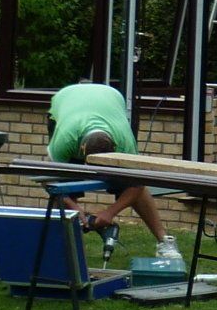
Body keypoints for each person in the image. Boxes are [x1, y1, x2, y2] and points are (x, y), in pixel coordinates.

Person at [46, 81, 179, 259]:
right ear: (82, 150)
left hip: (110, 98)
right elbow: (51, 181)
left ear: (116, 148)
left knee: (130, 181)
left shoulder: (125, 142)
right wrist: (75, 208)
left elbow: (138, 183)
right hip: (66, 97)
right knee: (65, 184)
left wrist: (110, 212)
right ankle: (60, 252)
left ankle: (165, 241)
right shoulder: (65, 140)